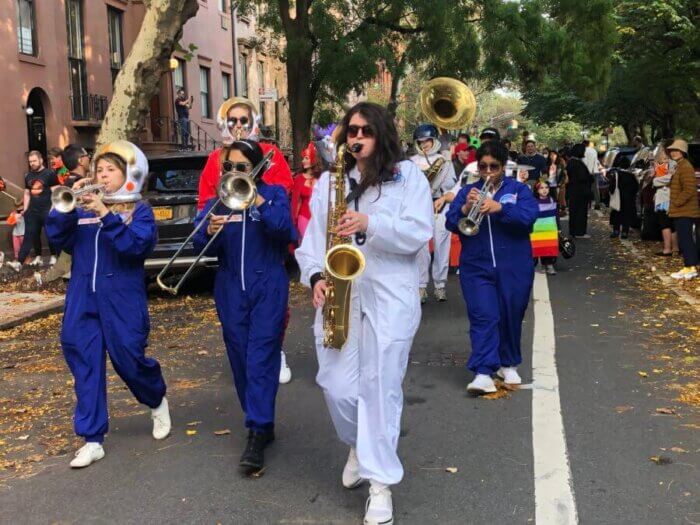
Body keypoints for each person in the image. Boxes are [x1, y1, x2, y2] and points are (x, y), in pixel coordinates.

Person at [295, 102, 433, 525]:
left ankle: (380, 485)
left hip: (391, 296)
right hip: (341, 293)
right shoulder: (329, 182)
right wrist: (316, 275)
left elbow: (418, 233)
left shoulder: (408, 176)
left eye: (366, 131)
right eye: (351, 131)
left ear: (382, 134)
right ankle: (358, 443)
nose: (357, 138)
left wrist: (368, 223)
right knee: (336, 386)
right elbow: (311, 241)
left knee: (381, 388)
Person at [45, 141, 171, 468]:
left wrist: (106, 215)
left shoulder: (138, 210)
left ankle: (155, 398)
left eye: (110, 170)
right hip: (83, 295)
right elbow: (58, 239)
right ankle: (92, 438)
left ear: (127, 175)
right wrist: (66, 206)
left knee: (129, 358)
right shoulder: (81, 209)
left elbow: (136, 247)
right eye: (98, 169)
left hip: (122, 297)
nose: (102, 174)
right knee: (84, 362)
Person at [194, 139, 295, 470]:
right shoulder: (218, 203)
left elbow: (284, 230)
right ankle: (260, 420)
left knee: (260, 356)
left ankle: (256, 430)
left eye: (240, 167)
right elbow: (198, 242)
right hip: (229, 289)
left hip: (268, 283)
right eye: (228, 167)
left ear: (255, 168)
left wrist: (259, 198)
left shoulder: (276, 194)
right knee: (239, 358)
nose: (233, 172)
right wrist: (207, 229)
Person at [198, 97, 294, 383]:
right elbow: (206, 195)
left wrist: (257, 198)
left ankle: (275, 350)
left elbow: (282, 189)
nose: (238, 125)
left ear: (252, 123)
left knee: (272, 312)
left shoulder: (269, 153)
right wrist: (209, 222)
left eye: (244, 120)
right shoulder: (216, 158)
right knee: (237, 324)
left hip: (261, 229)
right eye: (233, 120)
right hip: (229, 230)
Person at [446, 140, 538, 394]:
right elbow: (451, 223)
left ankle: (507, 363)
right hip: (476, 266)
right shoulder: (467, 192)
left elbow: (528, 218)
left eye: (493, 166)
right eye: (482, 166)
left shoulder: (519, 190)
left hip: (514, 265)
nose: (487, 172)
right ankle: (484, 371)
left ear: (503, 167)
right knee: (484, 315)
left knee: (511, 314)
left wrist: (499, 208)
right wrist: (465, 208)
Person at [411, 123, 457, 303]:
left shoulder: (444, 161)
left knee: (441, 246)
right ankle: (421, 286)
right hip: (419, 206)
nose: (424, 144)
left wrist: (440, 193)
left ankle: (440, 286)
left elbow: (452, 185)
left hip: (439, 204)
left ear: (434, 140)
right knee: (421, 247)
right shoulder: (412, 162)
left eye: (427, 141)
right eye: (420, 142)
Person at [13, 151, 59, 268]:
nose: (32, 163)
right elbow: (27, 193)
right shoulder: (28, 175)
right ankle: (33, 257)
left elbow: (56, 192)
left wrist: (53, 209)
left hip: (47, 210)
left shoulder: (50, 174)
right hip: (32, 212)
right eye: (30, 161)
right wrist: (26, 210)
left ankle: (54, 256)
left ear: (41, 160)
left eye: (34, 161)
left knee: (50, 234)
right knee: (32, 235)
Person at [666, 139, 699, 280]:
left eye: (677, 150)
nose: (674, 153)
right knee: (684, 239)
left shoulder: (685, 166)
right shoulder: (680, 166)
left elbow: (689, 189)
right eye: (672, 150)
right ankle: (688, 267)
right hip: (681, 210)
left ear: (683, 152)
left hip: (685, 210)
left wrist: (677, 202)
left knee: (686, 240)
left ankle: (691, 268)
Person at [291, 141, 321, 243]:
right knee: (306, 244)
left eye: (306, 158)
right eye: (303, 158)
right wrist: (294, 222)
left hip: (317, 219)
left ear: (314, 160)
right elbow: (296, 203)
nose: (303, 161)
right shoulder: (299, 179)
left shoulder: (322, 179)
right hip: (303, 217)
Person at [651, 146, 678, 256]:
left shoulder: (672, 164)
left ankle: (668, 249)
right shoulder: (672, 163)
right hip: (666, 196)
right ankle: (675, 248)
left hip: (666, 197)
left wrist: (655, 181)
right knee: (671, 224)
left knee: (665, 224)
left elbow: (670, 178)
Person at [531, 181, 560, 275]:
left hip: (550, 228)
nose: (544, 190)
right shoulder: (533, 201)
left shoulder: (553, 200)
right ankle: (537, 265)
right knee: (536, 247)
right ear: (537, 190)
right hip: (536, 229)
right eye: (541, 188)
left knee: (549, 248)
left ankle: (549, 265)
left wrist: (559, 227)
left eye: (546, 187)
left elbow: (556, 215)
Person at [607, 156, 639, 239]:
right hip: (628, 199)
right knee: (626, 215)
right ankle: (625, 232)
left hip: (618, 199)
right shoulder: (632, 176)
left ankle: (616, 231)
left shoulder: (616, 174)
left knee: (617, 214)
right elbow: (636, 188)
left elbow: (611, 187)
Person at [566, 144, 594, 238]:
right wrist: (590, 177)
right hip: (580, 191)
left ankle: (573, 231)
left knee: (574, 211)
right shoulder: (577, 163)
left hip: (574, 190)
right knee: (580, 211)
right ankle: (579, 232)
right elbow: (582, 177)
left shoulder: (571, 162)